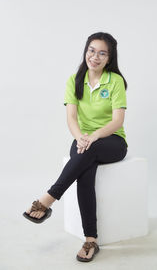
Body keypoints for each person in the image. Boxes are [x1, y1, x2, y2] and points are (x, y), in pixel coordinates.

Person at [23, 32, 128, 262]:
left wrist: (94, 137)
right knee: (85, 173)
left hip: (112, 141)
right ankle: (91, 240)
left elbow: (117, 121)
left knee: (88, 152)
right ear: (85, 51)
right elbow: (71, 118)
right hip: (83, 140)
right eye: (91, 50)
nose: (95, 56)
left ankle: (48, 198)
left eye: (102, 53)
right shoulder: (74, 80)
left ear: (109, 58)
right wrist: (81, 137)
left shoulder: (115, 81)